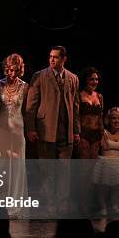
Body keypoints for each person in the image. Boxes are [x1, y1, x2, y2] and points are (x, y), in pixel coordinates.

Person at [26, 45, 80, 217]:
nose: (52, 59)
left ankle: (62, 206)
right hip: (46, 129)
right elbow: (31, 105)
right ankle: (50, 206)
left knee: (64, 171)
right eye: (50, 56)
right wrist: (31, 128)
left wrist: (76, 130)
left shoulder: (73, 78)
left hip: (66, 131)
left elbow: (76, 106)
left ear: (64, 59)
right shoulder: (40, 76)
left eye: (56, 57)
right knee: (47, 171)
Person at [0, 54, 29, 219]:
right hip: (1, 128)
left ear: (19, 70)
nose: (11, 74)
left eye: (15, 70)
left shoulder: (25, 87)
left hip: (18, 130)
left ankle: (15, 205)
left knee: (16, 166)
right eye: (9, 70)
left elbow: (27, 110)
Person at [75, 66, 104, 216]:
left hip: (96, 137)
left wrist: (102, 136)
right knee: (83, 171)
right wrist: (77, 133)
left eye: (96, 79)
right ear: (86, 79)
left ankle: (91, 203)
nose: (94, 81)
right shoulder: (79, 95)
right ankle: (81, 204)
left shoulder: (99, 96)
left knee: (93, 172)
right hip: (84, 135)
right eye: (92, 79)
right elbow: (76, 116)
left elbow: (100, 117)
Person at [92, 107, 119, 217]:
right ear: (109, 119)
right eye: (113, 118)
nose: (116, 121)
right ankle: (103, 207)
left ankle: (115, 207)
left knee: (117, 186)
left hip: (118, 163)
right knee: (103, 186)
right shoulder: (103, 132)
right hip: (105, 162)